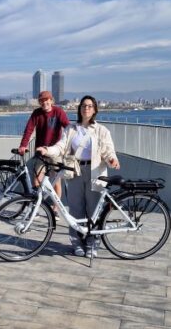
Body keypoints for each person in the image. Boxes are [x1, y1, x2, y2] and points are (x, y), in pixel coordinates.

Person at [36, 95, 120, 257]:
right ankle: (76, 243)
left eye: (89, 106)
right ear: (79, 109)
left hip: (95, 172)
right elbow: (60, 146)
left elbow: (109, 150)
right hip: (75, 171)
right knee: (75, 210)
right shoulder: (71, 129)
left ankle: (92, 244)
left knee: (93, 210)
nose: (86, 108)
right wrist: (47, 150)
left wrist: (112, 159)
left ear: (95, 109)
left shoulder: (102, 130)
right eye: (83, 106)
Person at [18, 91, 70, 211]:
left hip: (55, 152)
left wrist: (70, 143)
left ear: (51, 100)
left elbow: (67, 127)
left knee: (56, 182)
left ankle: (55, 209)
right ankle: (37, 206)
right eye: (41, 101)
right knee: (37, 180)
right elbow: (29, 129)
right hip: (41, 152)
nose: (44, 102)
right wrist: (23, 145)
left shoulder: (58, 112)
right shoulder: (37, 113)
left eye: (46, 100)